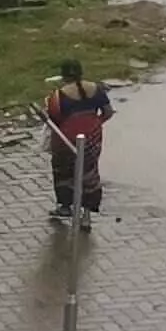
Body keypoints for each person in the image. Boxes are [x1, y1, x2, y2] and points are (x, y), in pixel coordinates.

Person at [42, 58, 112, 224]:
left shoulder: (58, 96)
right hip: (92, 138)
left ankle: (65, 206)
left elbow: (54, 120)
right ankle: (86, 214)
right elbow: (108, 112)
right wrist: (96, 124)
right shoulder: (97, 89)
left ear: (63, 76)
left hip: (67, 139)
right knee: (89, 171)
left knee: (64, 171)